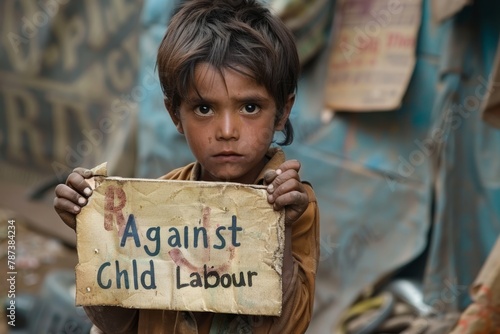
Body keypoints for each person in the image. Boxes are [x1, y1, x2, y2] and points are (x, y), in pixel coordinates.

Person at [54, 0, 319, 333]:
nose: (227, 131)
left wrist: (280, 229)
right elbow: (119, 325)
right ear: (175, 115)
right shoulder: (154, 205)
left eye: (250, 107)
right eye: (204, 108)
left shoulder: (296, 208)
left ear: (282, 112)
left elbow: (287, 328)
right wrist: (94, 233)